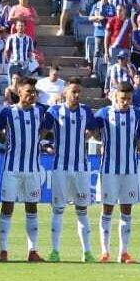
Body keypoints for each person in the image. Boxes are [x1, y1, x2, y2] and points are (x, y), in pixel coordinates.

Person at [0, 77, 51, 262]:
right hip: (12, 168)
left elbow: (48, 126)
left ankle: (32, 251)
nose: (32, 95)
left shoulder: (41, 111)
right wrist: (6, 141)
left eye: (34, 92)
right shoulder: (8, 112)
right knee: (7, 207)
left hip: (33, 169)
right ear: (19, 92)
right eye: (28, 92)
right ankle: (3, 251)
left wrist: (39, 137)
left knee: (32, 208)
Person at [47, 78, 97, 262]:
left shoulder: (86, 111)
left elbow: (93, 129)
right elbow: (43, 131)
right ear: (65, 92)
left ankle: (87, 252)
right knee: (58, 209)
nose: (76, 95)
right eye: (73, 91)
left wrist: (84, 137)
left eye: (79, 92)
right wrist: (46, 145)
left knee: (82, 210)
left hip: (81, 168)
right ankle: (55, 251)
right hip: (60, 167)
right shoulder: (54, 111)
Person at [95, 81, 140, 263]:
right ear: (115, 96)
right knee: (107, 209)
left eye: (129, 99)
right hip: (109, 169)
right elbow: (94, 133)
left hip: (130, 169)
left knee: (127, 210)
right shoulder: (103, 113)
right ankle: (105, 252)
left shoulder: (137, 114)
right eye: (122, 98)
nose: (125, 102)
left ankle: (123, 252)